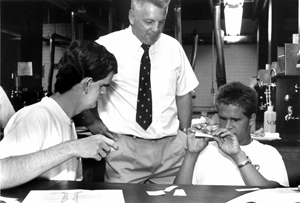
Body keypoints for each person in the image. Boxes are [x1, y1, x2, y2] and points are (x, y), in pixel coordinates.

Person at [79, 0, 199, 184]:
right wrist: (90, 121)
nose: (156, 29)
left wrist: (184, 133)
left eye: (161, 22)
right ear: (132, 16)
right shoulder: (106, 46)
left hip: (172, 150)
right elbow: (77, 87)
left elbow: (183, 94)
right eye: (149, 22)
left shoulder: (173, 48)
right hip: (126, 151)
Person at [0, 40, 119, 189]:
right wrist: (73, 148)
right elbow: (1, 175)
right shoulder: (34, 117)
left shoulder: (65, 119)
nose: (104, 92)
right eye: (102, 86)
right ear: (87, 84)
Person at [174, 81, 289, 187]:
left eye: (235, 119)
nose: (228, 126)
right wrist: (191, 154)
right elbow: (177, 195)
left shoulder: (268, 154)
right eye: (223, 118)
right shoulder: (204, 151)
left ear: (252, 119)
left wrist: (238, 156)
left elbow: (274, 196)